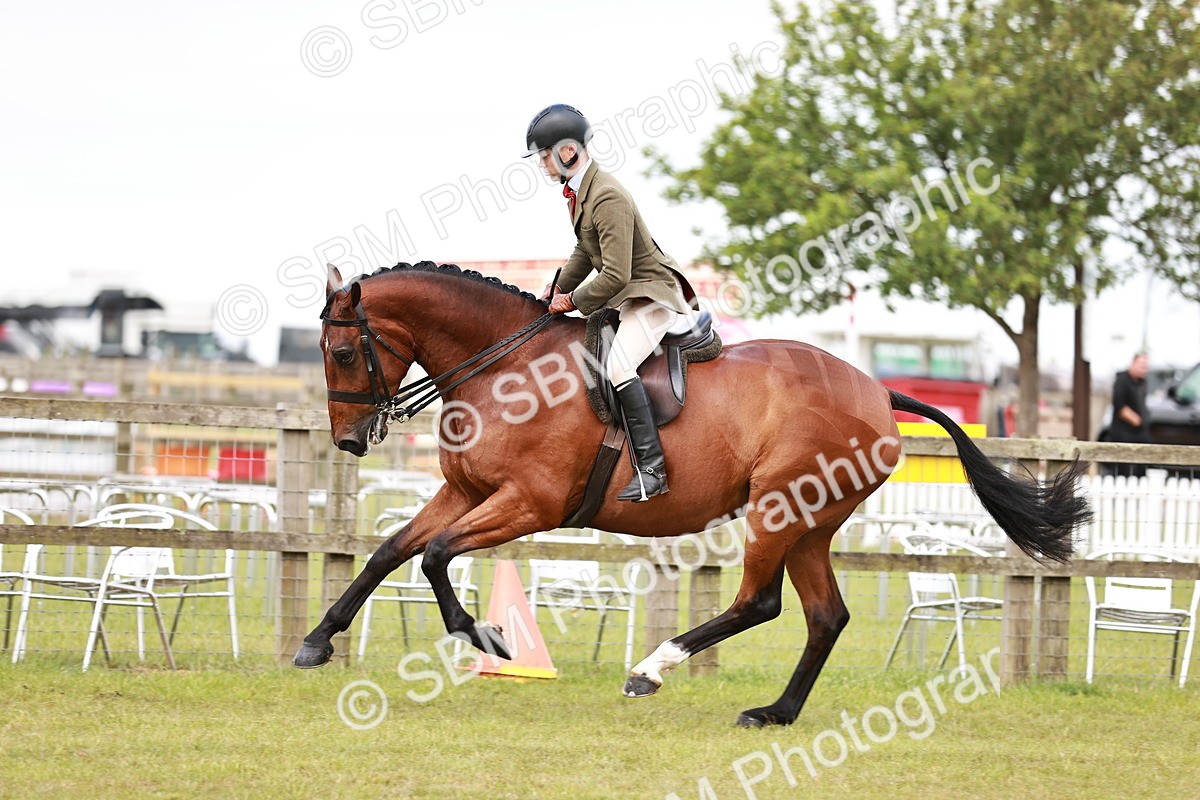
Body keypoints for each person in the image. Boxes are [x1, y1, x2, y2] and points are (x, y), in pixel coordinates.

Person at [524, 103, 694, 502]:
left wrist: (572, 302)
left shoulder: (607, 196)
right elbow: (586, 251)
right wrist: (552, 290)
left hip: (649, 295)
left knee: (618, 366)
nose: (542, 164)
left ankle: (652, 470)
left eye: (545, 155)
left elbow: (615, 274)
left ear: (567, 152)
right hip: (625, 297)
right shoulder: (584, 190)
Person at [1108, 352, 1151, 478]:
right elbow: (1119, 406)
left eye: (1146, 366)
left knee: (1140, 470)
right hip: (1124, 434)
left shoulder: (1143, 383)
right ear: (1132, 364)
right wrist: (1137, 420)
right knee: (1123, 471)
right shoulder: (1122, 380)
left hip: (1140, 435)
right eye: (1141, 365)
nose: (1144, 369)